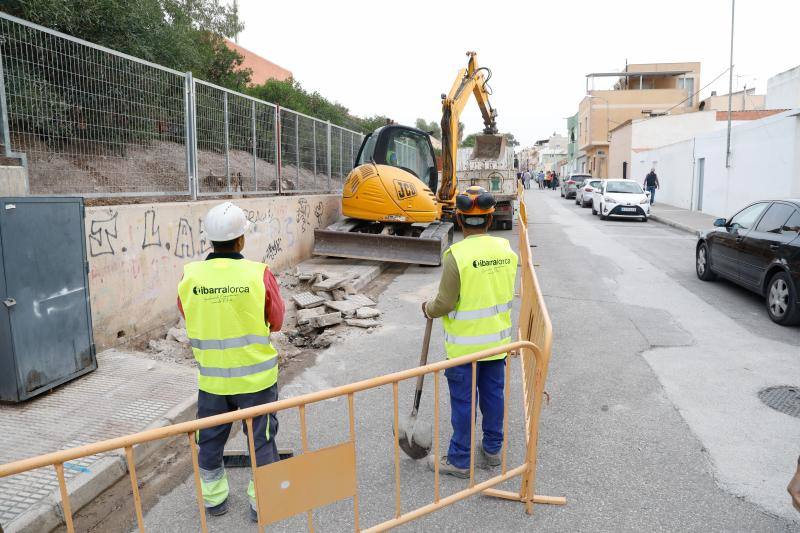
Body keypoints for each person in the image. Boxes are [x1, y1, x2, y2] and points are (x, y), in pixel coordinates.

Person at [177, 201, 285, 522]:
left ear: (211, 240)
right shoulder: (258, 274)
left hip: (213, 381)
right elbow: (276, 320)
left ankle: (215, 501)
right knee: (261, 440)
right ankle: (261, 505)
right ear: (241, 240)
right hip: (256, 380)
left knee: (209, 441)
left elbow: (187, 313)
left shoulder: (191, 276)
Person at [422, 186, 519, 477]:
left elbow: (444, 303)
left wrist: (427, 308)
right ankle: (492, 451)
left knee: (464, 403)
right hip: (496, 345)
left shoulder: (457, 256)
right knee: (493, 398)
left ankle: (461, 460)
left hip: (464, 350)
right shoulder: (505, 250)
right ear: (490, 220)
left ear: (459, 221)